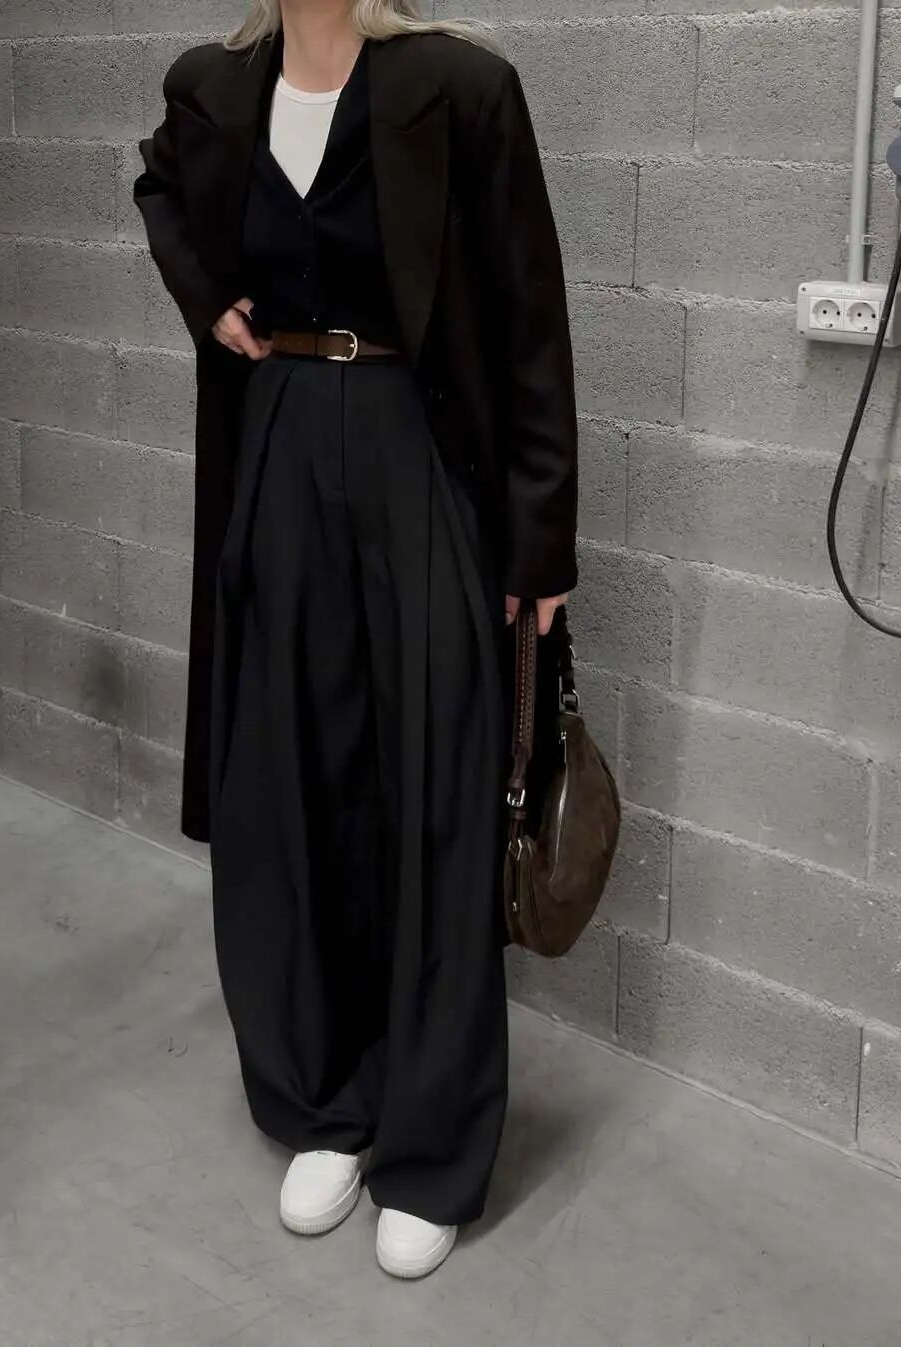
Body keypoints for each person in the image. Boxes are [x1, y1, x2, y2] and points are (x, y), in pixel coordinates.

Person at [133, 0, 578, 1280]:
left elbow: (528, 316)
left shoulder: (460, 87)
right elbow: (158, 189)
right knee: (290, 781)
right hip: (277, 445)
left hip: (415, 454)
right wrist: (206, 295)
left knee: (433, 792)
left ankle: (430, 1144)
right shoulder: (211, 87)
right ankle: (327, 1100)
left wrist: (537, 545)